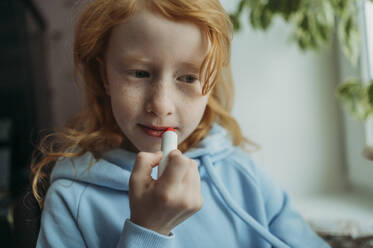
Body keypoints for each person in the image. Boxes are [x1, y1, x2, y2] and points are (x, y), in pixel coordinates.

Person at [31, 0, 331, 247]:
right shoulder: (71, 200)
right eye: (139, 73)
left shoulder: (241, 173)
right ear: (104, 76)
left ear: (210, 83)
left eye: (188, 78)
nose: (161, 105)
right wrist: (149, 230)